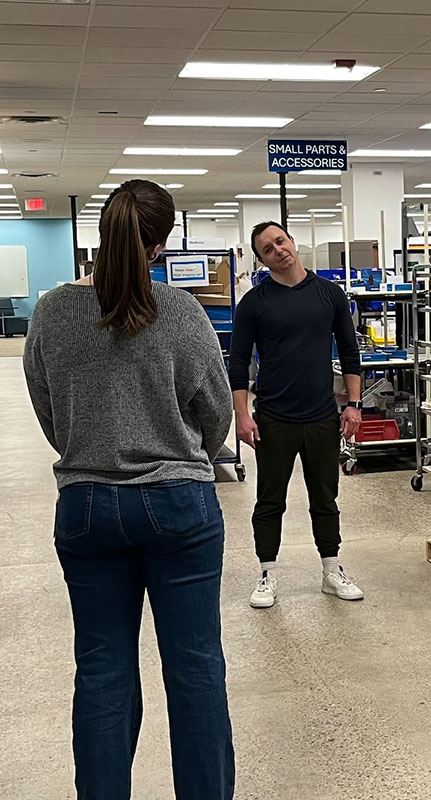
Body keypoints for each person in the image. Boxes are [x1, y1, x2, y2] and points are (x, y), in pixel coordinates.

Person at [23, 179, 236, 799]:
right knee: (195, 668)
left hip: (86, 505)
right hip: (179, 504)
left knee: (102, 672)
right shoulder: (180, 311)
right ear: (161, 244)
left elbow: (48, 410)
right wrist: (175, 441)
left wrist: (88, 445)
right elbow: (216, 412)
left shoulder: (53, 313)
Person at [230, 222, 365, 608]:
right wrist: (241, 416)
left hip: (323, 416)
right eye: (268, 249)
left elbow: (350, 353)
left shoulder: (330, 295)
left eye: (280, 241)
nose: (279, 250)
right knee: (269, 500)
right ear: (261, 260)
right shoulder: (254, 303)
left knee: (326, 498)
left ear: (291, 242)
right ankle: (267, 573)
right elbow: (238, 364)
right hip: (273, 418)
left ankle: (331, 570)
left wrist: (353, 404)